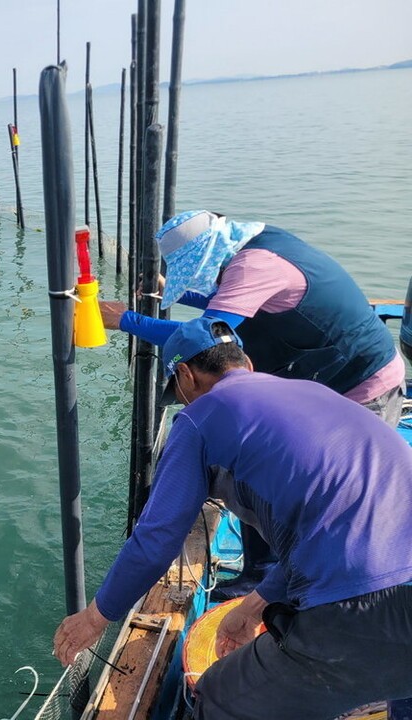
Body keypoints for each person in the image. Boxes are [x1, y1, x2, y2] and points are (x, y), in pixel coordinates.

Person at [52, 317, 412, 720]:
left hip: (371, 605)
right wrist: (254, 606)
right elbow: (335, 529)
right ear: (247, 364)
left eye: (180, 393)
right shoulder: (312, 391)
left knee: (221, 697)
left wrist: (95, 617)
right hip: (386, 577)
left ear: (185, 375)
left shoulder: (199, 418)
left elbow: (156, 538)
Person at [100, 210, 407, 597]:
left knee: (332, 503)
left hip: (361, 387)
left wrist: (127, 320)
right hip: (324, 382)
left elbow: (210, 337)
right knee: (255, 468)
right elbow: (227, 308)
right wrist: (181, 293)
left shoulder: (254, 266)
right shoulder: (255, 247)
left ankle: (304, 586)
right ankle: (262, 574)